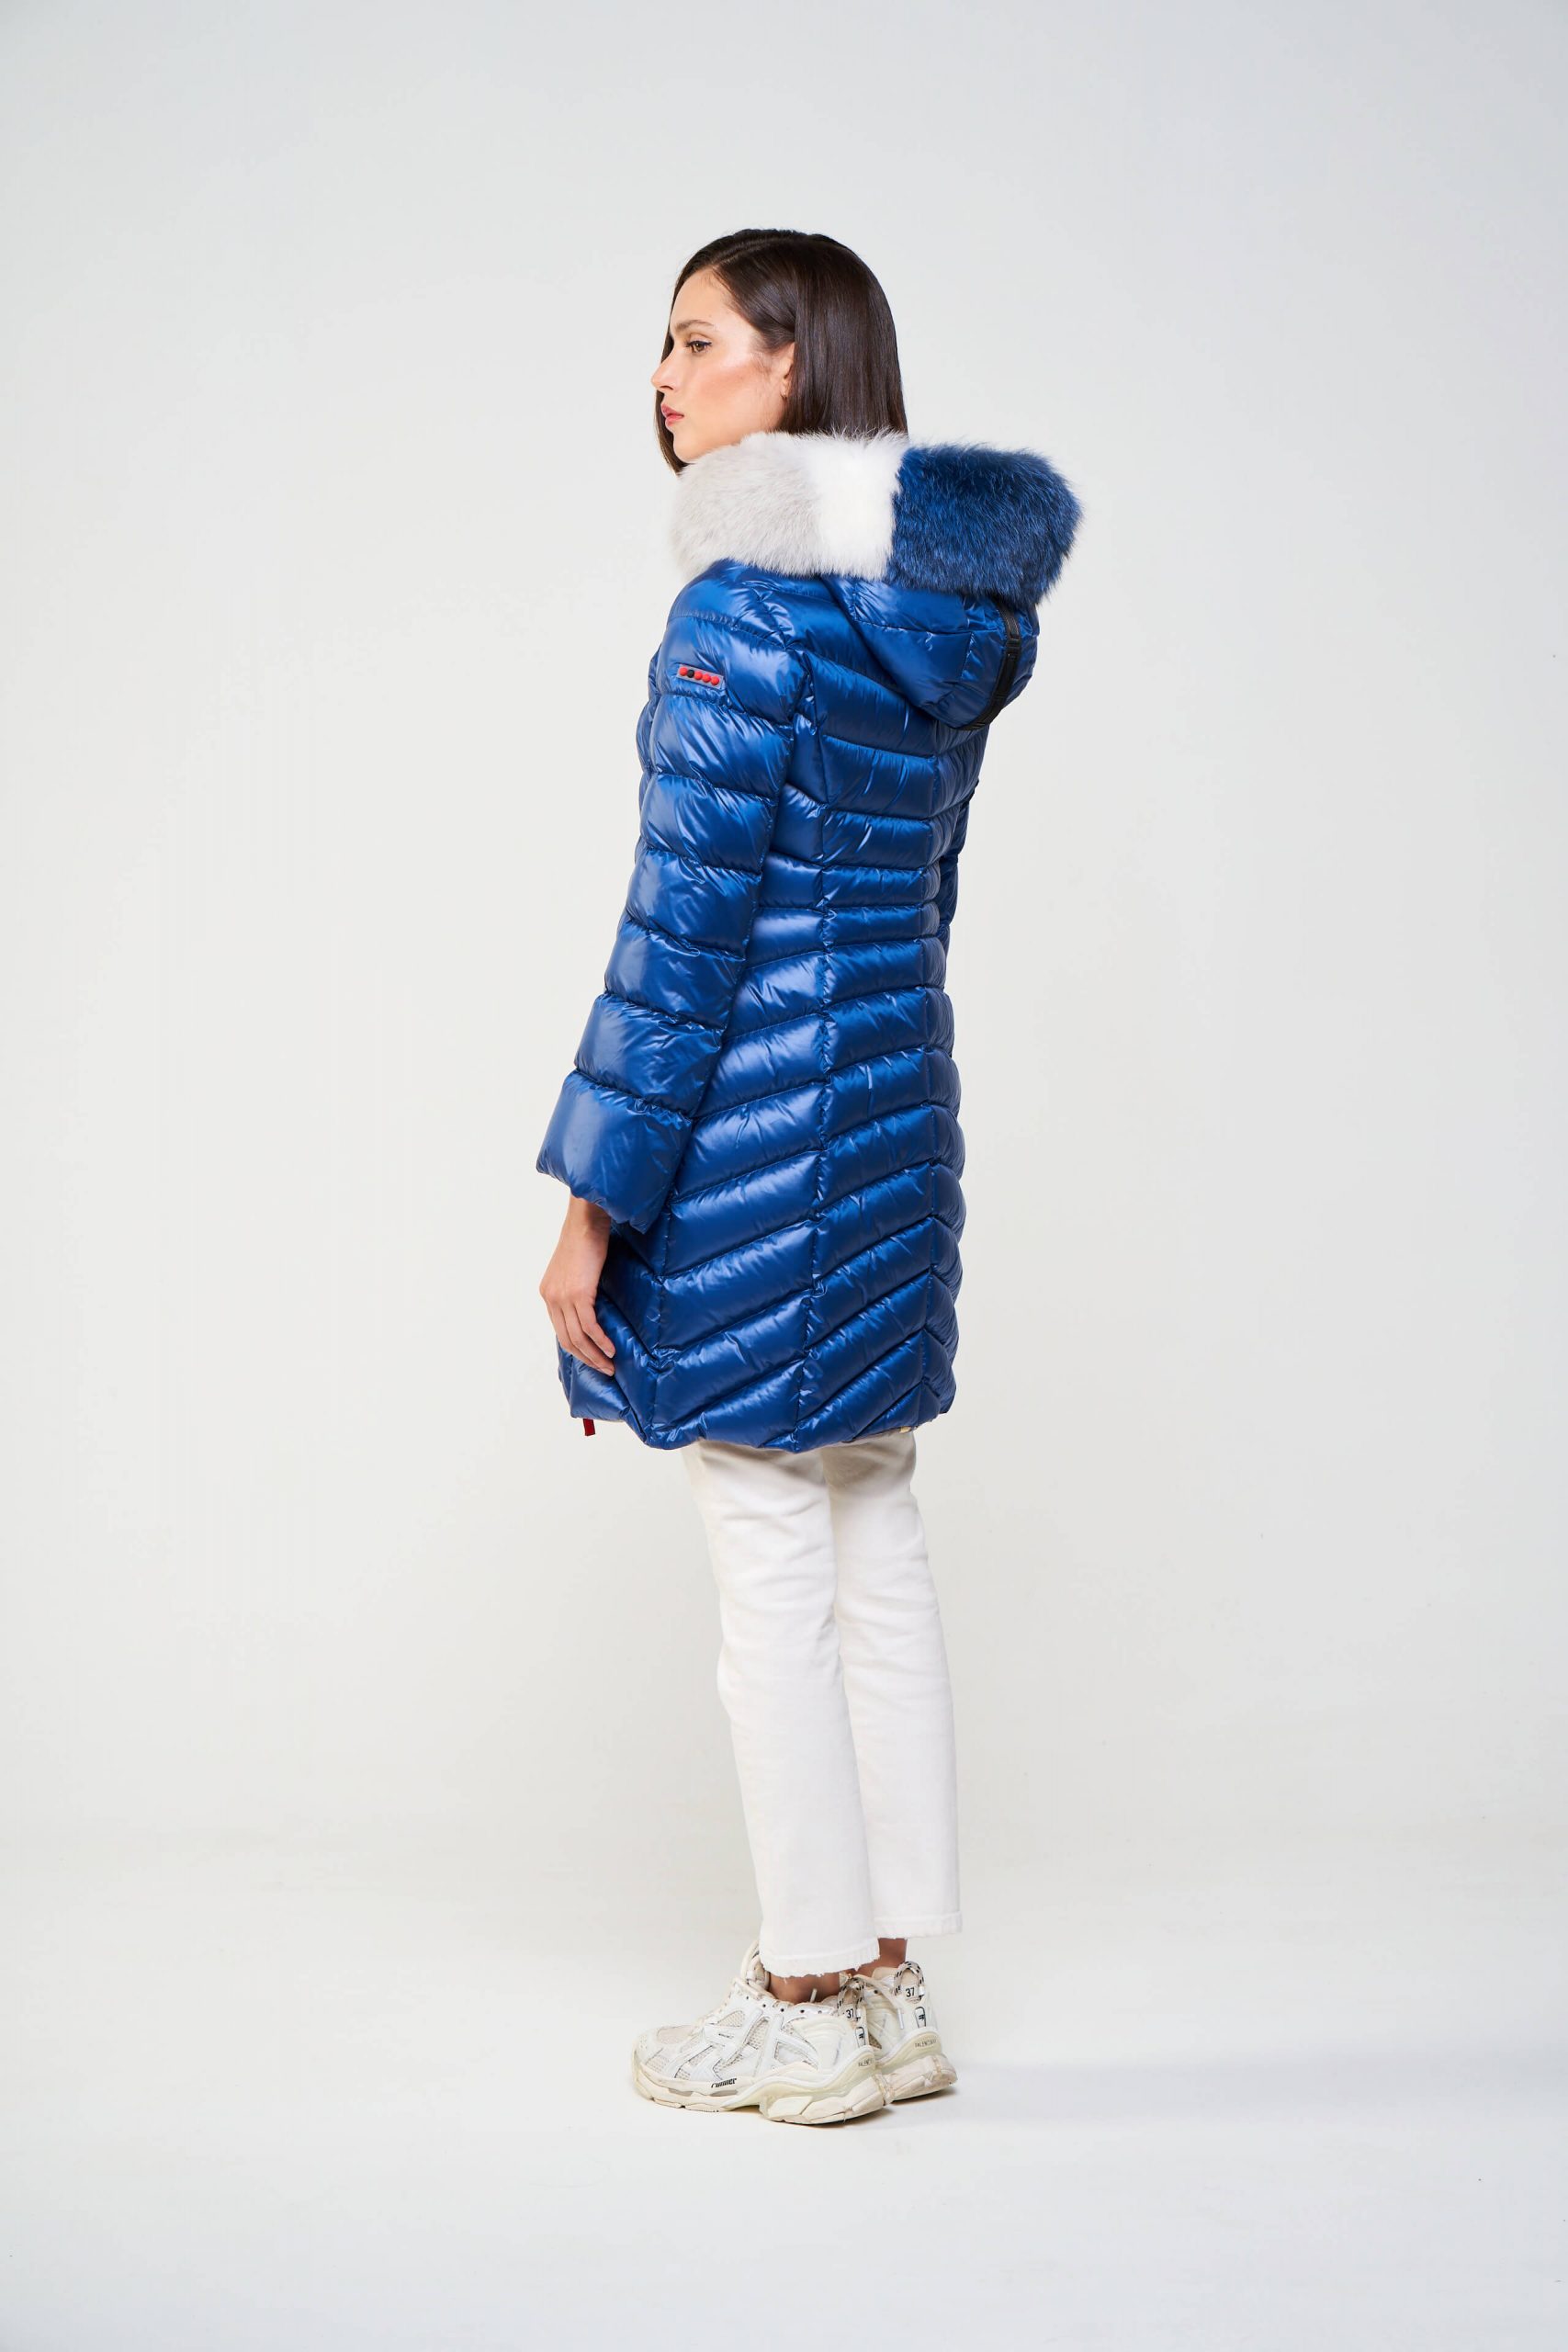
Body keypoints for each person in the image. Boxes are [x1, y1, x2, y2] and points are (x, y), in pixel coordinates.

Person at [536, 229, 1082, 2124]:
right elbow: (920, 906)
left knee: (770, 1557)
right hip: (894, 1115)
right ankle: (893, 1988)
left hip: (752, 1138)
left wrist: (593, 1205)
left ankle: (804, 1988)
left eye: (697, 341)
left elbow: (678, 943)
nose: (663, 377)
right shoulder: (944, 622)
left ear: (793, 365)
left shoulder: (737, 615)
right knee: (875, 1531)